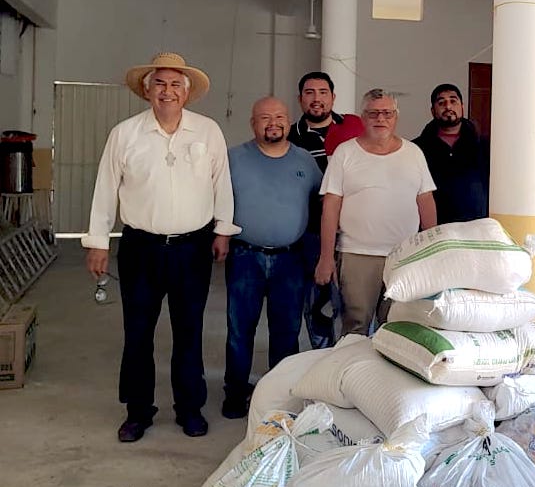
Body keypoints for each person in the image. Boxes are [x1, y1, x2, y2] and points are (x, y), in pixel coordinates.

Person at [82, 52, 239, 442]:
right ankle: (138, 412)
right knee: (138, 332)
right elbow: (105, 189)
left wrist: (223, 230)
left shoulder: (208, 132)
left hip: (192, 248)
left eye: (175, 85)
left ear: (186, 93)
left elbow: (222, 184)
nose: (167, 92)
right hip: (140, 248)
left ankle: (190, 409)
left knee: (189, 331)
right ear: (147, 90)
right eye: (160, 84)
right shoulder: (125, 133)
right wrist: (98, 242)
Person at [222, 97, 322, 418]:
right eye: (264, 117)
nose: (272, 123)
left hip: (291, 261)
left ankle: (280, 397)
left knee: (286, 332)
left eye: (279, 116)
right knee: (240, 331)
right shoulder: (234, 158)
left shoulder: (305, 162)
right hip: (244, 257)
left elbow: (322, 206)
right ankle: (235, 394)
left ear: (288, 120)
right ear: (253, 123)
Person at [314, 88, 437, 335]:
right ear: (363, 117)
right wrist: (326, 258)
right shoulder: (345, 153)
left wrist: (431, 252)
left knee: (396, 327)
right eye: (373, 113)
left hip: (403, 256)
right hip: (357, 254)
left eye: (387, 113)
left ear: (396, 117)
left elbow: (425, 201)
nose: (381, 119)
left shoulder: (413, 153)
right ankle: (350, 373)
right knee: (355, 325)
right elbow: (330, 207)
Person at [288, 71, 365, 349]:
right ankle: (323, 365)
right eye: (309, 93)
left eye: (323, 92)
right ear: (300, 99)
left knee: (356, 305)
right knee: (319, 307)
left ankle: (354, 365)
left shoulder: (356, 127)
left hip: (357, 234)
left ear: (333, 97)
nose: (316, 98)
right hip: (312, 235)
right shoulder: (290, 138)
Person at [412, 83, 490, 224]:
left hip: (477, 227)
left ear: (462, 107)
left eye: (453, 101)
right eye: (441, 103)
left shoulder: (484, 145)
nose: (448, 107)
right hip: (434, 230)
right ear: (433, 111)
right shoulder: (417, 149)